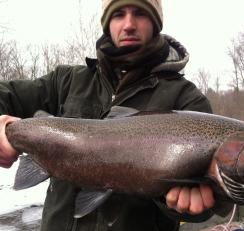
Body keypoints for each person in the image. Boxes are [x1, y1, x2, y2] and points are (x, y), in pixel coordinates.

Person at [0, 0, 230, 230]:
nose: (129, 24)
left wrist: (190, 206)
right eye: (119, 14)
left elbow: (213, 198)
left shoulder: (186, 99)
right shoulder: (66, 82)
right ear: (107, 23)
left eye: (140, 13)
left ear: (155, 22)